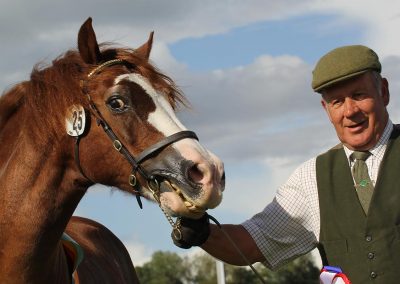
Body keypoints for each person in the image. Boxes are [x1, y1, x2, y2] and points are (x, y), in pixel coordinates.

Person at [171, 45, 400, 284]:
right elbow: (252, 244)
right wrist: (200, 229)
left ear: (383, 91)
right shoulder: (311, 178)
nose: (350, 111)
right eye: (337, 101)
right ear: (326, 109)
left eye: (359, 95)